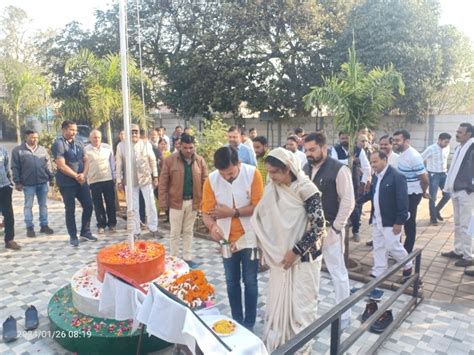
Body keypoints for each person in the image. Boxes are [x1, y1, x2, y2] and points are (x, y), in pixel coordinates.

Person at [251, 148, 325, 352]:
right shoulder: (273, 188)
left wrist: (295, 251)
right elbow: (264, 219)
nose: (271, 177)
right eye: (270, 172)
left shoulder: (306, 189)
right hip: (281, 260)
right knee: (278, 305)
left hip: (304, 260)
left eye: (275, 172)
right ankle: (280, 346)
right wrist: (267, 247)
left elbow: (319, 228)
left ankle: (301, 349)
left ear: (288, 169)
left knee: (301, 310)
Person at [202, 146, 264, 331]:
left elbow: (259, 207)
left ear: (238, 163)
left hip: (250, 237)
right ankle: (237, 320)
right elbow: (206, 213)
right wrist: (212, 226)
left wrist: (233, 212)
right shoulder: (212, 180)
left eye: (230, 173)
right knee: (231, 281)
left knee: (251, 281)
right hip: (226, 240)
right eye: (223, 174)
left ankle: (249, 323)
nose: (226, 177)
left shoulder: (252, 174)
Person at [303, 132, 354, 328]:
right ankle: (308, 312)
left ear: (324, 148)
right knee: (309, 272)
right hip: (309, 233)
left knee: (338, 274)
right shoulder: (305, 168)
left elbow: (348, 202)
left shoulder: (339, 169)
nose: (309, 153)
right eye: (306, 150)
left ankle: (345, 316)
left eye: (313, 149)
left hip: (330, 231)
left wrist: (335, 229)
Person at [359, 151, 412, 278]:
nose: (372, 165)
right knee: (378, 246)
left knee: (393, 245)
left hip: (391, 220)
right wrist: (355, 201)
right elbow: (372, 194)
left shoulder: (397, 176)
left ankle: (408, 264)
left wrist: (399, 222)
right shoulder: (376, 176)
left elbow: (403, 201)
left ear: (385, 160)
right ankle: (379, 270)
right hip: (378, 219)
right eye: (371, 162)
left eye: (375, 161)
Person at [159, 134, 208, 268]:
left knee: (188, 231)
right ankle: (174, 259)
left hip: (193, 202)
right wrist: (163, 202)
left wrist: (205, 202)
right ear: (180, 146)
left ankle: (187, 257)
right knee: (175, 232)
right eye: (185, 148)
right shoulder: (170, 161)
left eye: (191, 148)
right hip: (176, 202)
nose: (188, 151)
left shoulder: (200, 161)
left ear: (194, 146)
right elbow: (163, 183)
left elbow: (206, 182)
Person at [52, 120, 97, 247]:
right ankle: (73, 236)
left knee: (88, 205)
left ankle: (85, 231)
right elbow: (61, 165)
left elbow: (86, 159)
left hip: (81, 181)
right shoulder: (58, 144)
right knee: (70, 209)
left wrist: (84, 174)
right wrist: (76, 175)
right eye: (72, 130)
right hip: (67, 183)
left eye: (75, 130)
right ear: (64, 130)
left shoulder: (79, 142)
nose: (74, 132)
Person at [116, 124, 160, 238]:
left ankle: (153, 228)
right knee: (133, 206)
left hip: (145, 179)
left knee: (150, 204)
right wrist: (119, 181)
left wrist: (155, 176)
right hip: (130, 180)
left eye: (136, 132)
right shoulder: (121, 146)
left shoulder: (146, 144)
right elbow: (119, 164)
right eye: (132, 132)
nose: (134, 134)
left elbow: (153, 160)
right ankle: (136, 231)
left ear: (139, 133)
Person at [441, 123, 474, 268]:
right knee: (458, 223)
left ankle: (468, 255)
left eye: (460, 132)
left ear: (469, 134)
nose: (457, 134)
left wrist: (470, 187)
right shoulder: (459, 147)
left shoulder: (472, 148)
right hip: (455, 190)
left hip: (466, 191)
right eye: (457, 131)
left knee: (466, 224)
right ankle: (458, 250)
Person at [11, 129, 54, 237]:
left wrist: (51, 177)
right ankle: (29, 227)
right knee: (28, 206)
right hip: (28, 184)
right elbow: (15, 167)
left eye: (36, 137)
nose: (35, 140)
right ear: (26, 138)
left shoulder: (42, 149)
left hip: (42, 182)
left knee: (43, 205)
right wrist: (17, 182)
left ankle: (44, 225)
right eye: (32, 137)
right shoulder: (18, 150)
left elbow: (48, 164)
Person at [392, 129, 429, 253]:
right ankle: (399, 250)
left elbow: (424, 179)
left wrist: (424, 192)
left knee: (409, 222)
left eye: (398, 140)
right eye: (394, 140)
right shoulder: (402, 153)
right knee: (400, 220)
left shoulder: (413, 156)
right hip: (402, 193)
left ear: (406, 141)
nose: (395, 143)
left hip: (412, 194)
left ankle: (407, 252)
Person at [84, 130, 117, 234]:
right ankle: (101, 224)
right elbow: (84, 165)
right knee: (98, 204)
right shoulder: (86, 150)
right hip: (94, 181)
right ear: (90, 139)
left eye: (98, 137)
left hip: (107, 179)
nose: (96, 139)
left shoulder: (107, 148)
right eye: (94, 137)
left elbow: (112, 163)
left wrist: (114, 176)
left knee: (110, 203)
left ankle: (112, 224)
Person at [421, 132, 452, 225]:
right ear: (439, 140)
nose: (447, 144)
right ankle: (433, 218)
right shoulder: (430, 149)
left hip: (444, 174)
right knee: (433, 197)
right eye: (445, 142)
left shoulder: (447, 148)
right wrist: (424, 172)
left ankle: (436, 210)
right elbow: (420, 159)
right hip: (433, 175)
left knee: (448, 194)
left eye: (448, 142)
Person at [350, 134, 372, 242]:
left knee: (356, 206)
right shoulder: (337, 149)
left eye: (365, 141)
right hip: (344, 183)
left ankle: (356, 230)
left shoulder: (361, 151)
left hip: (356, 184)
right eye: (361, 140)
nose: (364, 143)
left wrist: (363, 183)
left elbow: (367, 168)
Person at [0, 146, 20, 250]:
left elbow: (7, 168)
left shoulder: (3, 150)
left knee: (8, 215)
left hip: (4, 187)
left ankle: (9, 240)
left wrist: (10, 184)